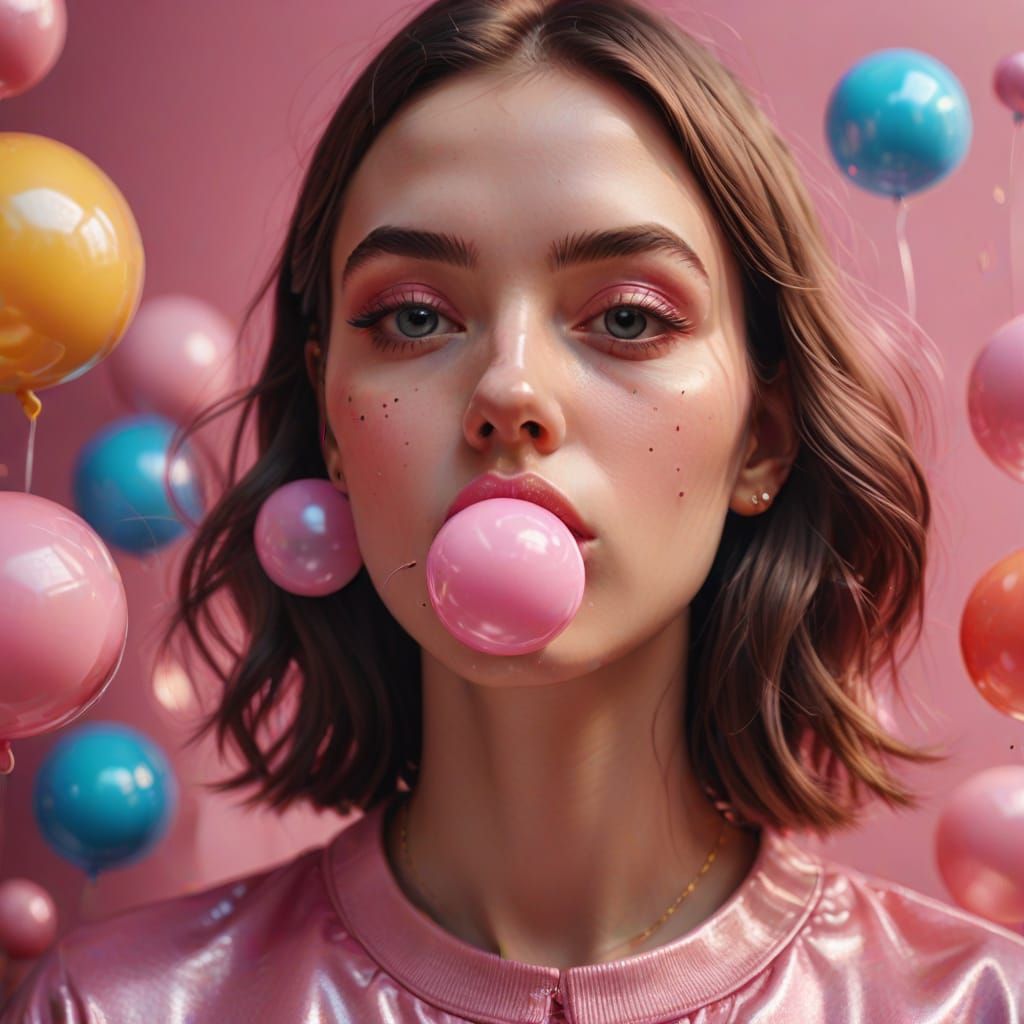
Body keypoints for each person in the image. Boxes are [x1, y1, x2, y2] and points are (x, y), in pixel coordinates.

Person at [5, 0, 1024, 1020]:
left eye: (627, 317)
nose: (510, 391)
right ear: (330, 425)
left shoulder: (979, 1002)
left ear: (762, 435)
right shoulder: (117, 1006)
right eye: (414, 317)